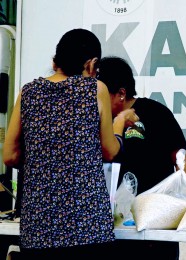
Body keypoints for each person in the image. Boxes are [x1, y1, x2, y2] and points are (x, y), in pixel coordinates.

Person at [3, 28, 138, 260]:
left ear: (56, 61)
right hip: (87, 230)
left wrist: (46, 154)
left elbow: (10, 156)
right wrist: (119, 124)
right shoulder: (95, 90)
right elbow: (109, 151)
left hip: (38, 231)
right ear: (92, 64)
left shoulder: (28, 93)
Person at [97, 56, 186, 260]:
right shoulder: (97, 122)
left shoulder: (156, 113)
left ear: (121, 93)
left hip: (154, 232)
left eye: (103, 97)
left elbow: (181, 159)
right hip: (113, 233)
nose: (98, 104)